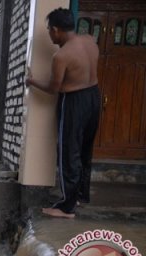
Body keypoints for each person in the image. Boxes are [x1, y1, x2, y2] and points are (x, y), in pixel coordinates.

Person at [26, 8, 100, 218]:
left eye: (50, 30)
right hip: (93, 96)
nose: (50, 35)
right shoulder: (89, 41)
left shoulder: (62, 55)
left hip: (74, 101)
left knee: (69, 152)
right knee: (85, 149)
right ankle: (80, 196)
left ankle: (66, 207)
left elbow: (54, 88)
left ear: (57, 30)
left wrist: (31, 81)